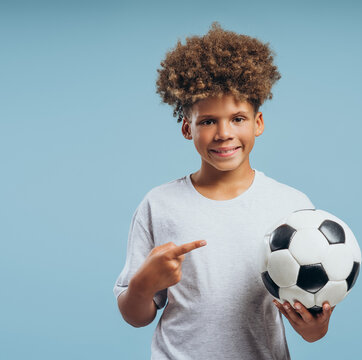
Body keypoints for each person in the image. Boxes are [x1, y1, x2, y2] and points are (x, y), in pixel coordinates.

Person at [113, 21, 335, 359]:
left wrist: (315, 328)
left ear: (257, 123)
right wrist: (143, 284)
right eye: (207, 121)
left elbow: (312, 329)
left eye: (238, 118)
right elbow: (135, 316)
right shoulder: (159, 205)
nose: (223, 133)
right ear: (187, 128)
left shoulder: (291, 207)